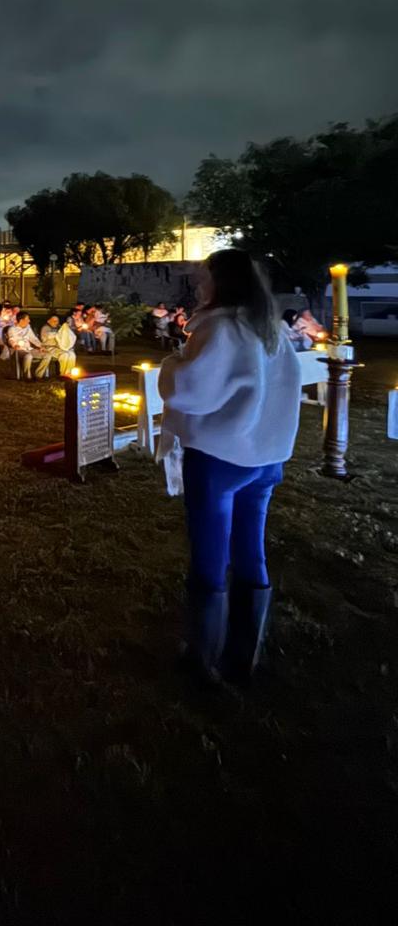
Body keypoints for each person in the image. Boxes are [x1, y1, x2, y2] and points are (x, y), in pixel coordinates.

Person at [158, 249, 302, 686]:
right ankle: (244, 654)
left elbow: (189, 390)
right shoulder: (270, 328)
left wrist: (171, 364)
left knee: (210, 554)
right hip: (265, 457)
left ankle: (202, 660)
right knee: (249, 548)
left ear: (221, 281)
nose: (199, 284)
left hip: (220, 459)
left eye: (204, 277)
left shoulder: (221, 329)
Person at [5, 312, 43, 379]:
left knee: (47, 355)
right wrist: (14, 345)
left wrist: (40, 346)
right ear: (21, 320)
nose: (29, 321)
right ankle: (27, 377)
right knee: (28, 356)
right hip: (19, 350)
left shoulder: (28, 328)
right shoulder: (12, 329)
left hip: (29, 349)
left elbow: (33, 338)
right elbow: (11, 339)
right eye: (27, 319)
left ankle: (38, 375)